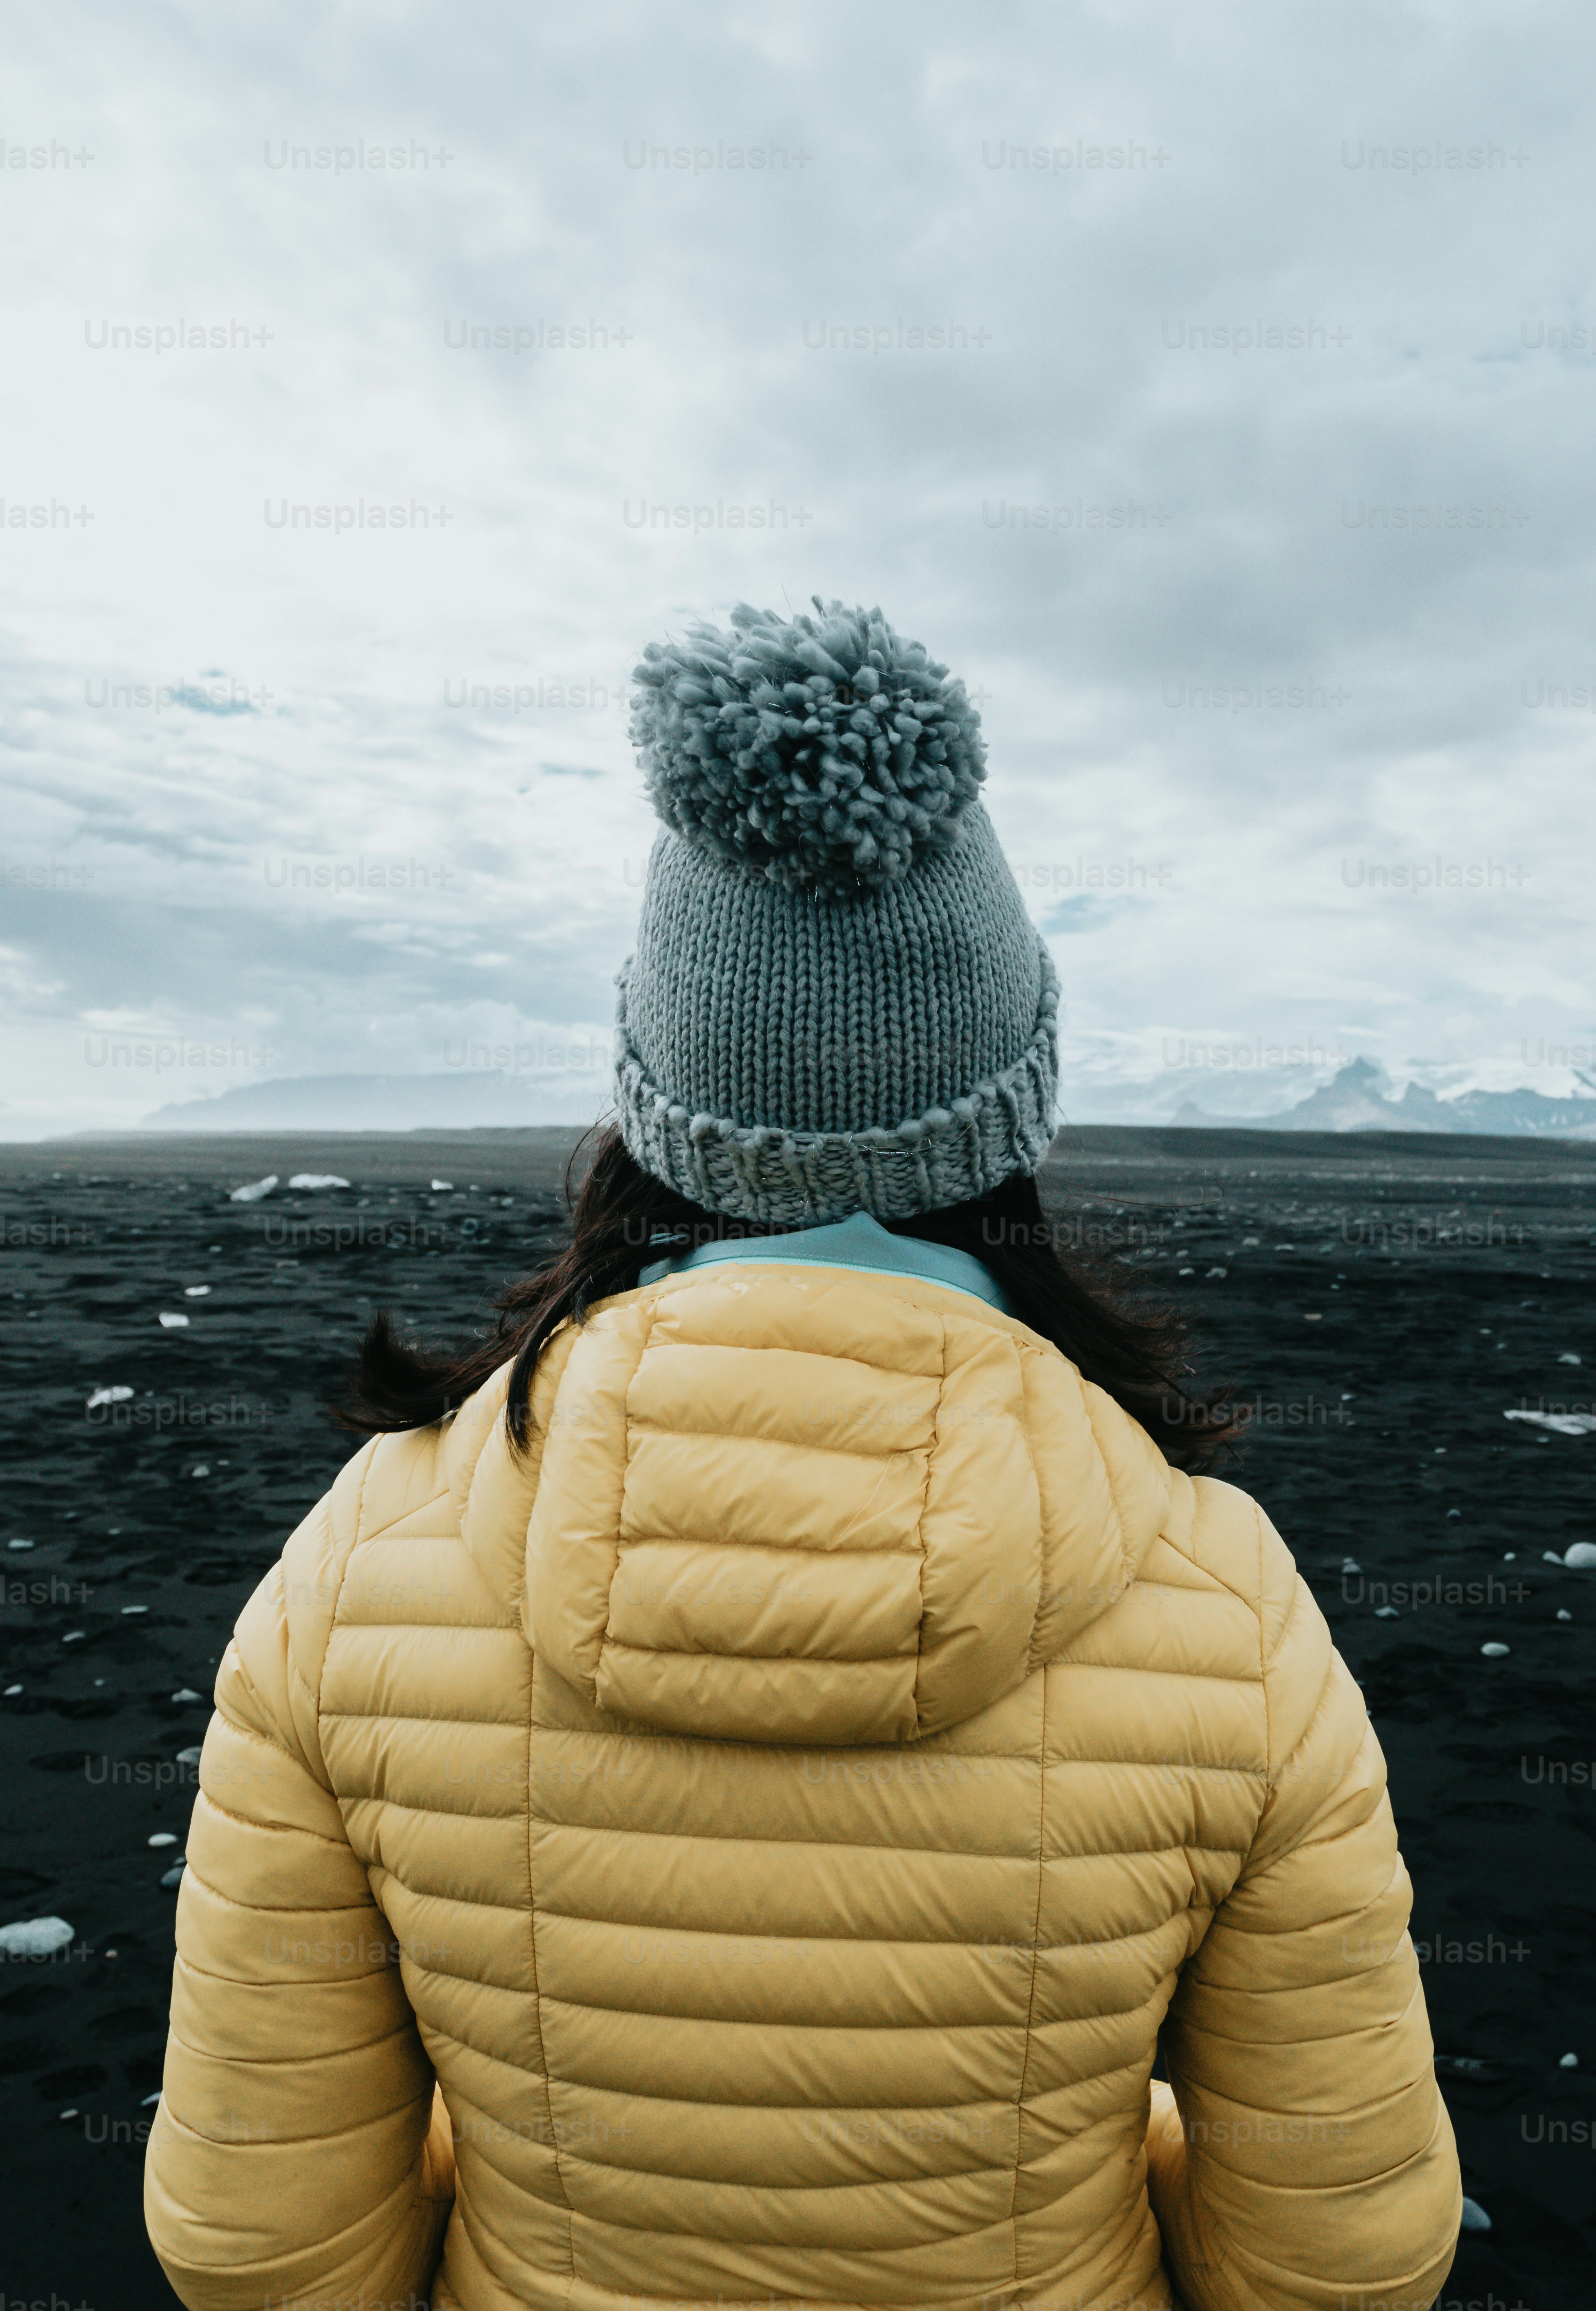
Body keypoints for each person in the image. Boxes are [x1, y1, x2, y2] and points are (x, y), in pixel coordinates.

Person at [145, 600, 1461, 2311]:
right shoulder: (1223, 1600)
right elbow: (1341, 2269)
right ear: (1010, 1107)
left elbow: (260, 2253)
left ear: (650, 1100)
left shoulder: (359, 1569)